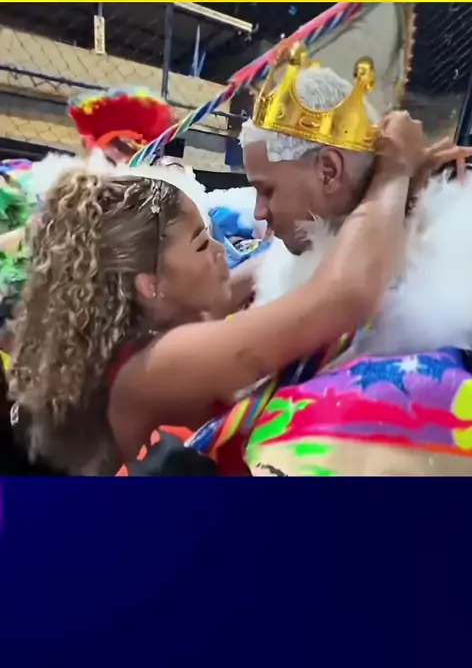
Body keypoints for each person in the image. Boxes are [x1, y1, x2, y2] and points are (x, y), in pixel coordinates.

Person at [9, 110, 425, 475]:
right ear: (151, 285)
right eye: (200, 242)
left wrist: (372, 202)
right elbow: (342, 295)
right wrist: (394, 171)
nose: (221, 250)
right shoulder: (160, 364)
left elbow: (263, 269)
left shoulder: (134, 327)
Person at [240, 33, 472, 361]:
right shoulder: (287, 260)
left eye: (267, 190)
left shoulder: (453, 277)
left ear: (328, 171)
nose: (258, 212)